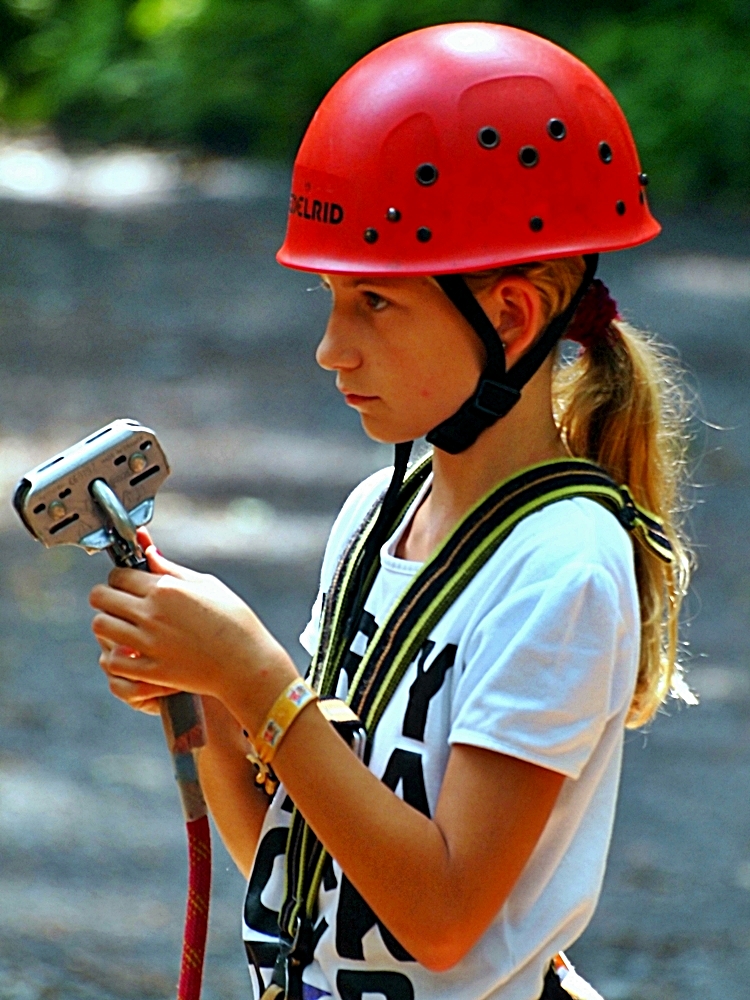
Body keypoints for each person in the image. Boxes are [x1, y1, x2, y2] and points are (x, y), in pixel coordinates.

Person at [88, 22, 694, 1000]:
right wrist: (198, 689)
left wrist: (254, 678)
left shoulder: (566, 569)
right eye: (332, 298)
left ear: (510, 315)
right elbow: (302, 868)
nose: (332, 348)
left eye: (375, 303)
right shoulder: (379, 516)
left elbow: (443, 913)